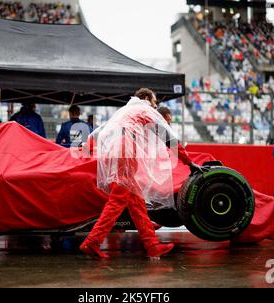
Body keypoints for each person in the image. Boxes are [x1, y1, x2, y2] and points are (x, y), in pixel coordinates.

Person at [79, 88, 201, 259]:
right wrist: (189, 162)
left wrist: (85, 148)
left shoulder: (125, 111)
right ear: (145, 98)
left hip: (118, 152)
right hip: (128, 151)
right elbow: (168, 138)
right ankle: (93, 241)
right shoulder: (144, 110)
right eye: (154, 101)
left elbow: (98, 133)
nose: (155, 105)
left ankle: (152, 246)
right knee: (118, 200)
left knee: (136, 202)